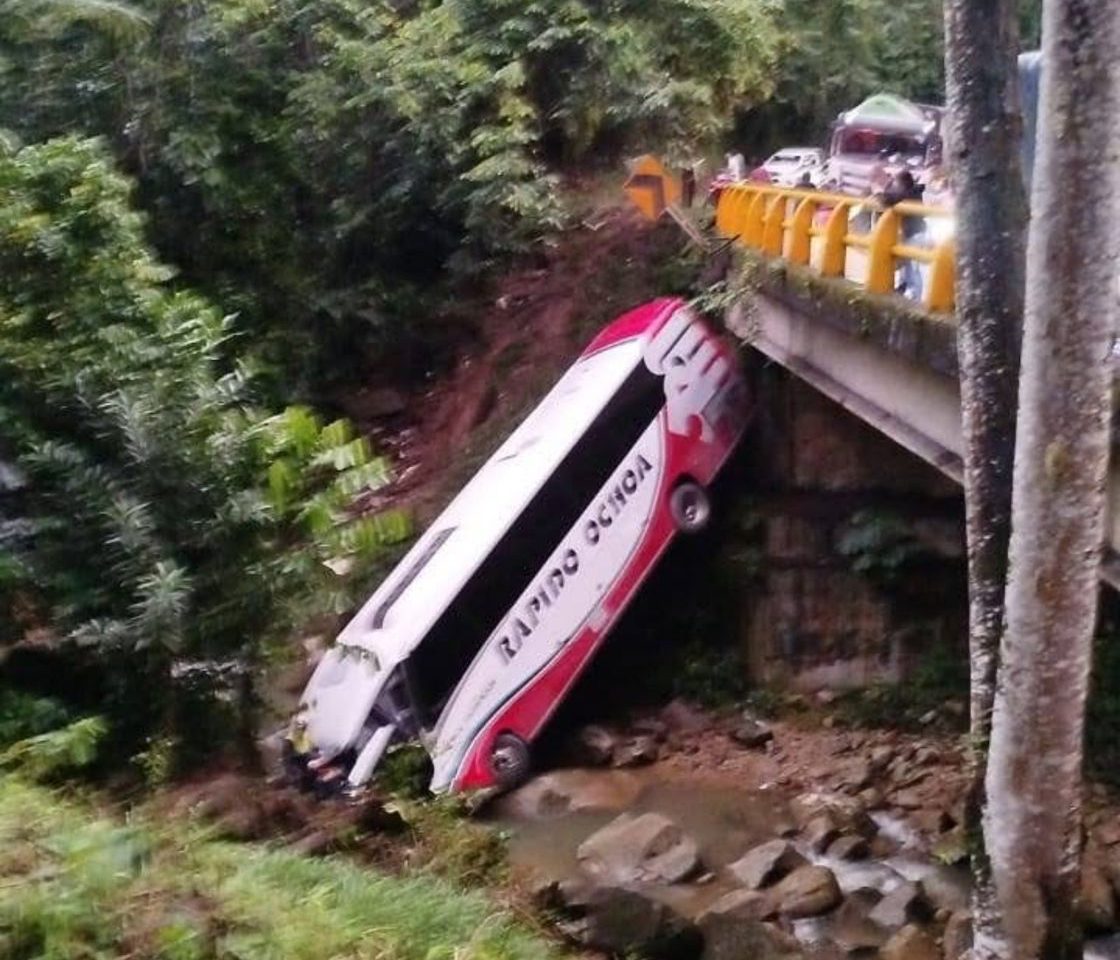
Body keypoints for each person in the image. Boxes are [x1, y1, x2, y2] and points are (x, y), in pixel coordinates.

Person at [877, 171, 926, 300]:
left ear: (902, 183)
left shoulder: (909, 194)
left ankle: (915, 294)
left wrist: (882, 188)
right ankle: (904, 287)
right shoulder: (914, 192)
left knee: (912, 266)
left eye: (896, 183)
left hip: (916, 233)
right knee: (906, 263)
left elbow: (888, 199)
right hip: (914, 232)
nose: (895, 186)